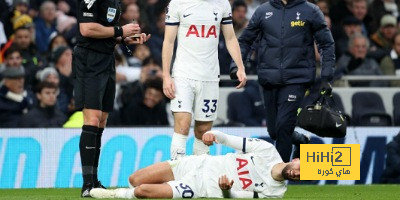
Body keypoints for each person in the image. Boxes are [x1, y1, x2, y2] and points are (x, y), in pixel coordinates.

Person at [233, 0, 335, 162]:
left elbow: (326, 44)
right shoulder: (262, 11)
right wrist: (236, 66)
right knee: (274, 131)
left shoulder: (310, 11)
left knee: (283, 127)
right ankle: (301, 141)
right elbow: (245, 40)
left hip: (298, 79)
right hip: (269, 78)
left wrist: (326, 76)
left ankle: (278, 179)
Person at [73, 0, 150, 197]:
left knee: (101, 120)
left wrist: (125, 39)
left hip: (107, 60)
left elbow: (108, 33)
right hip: (89, 60)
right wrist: (120, 30)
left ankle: (95, 181)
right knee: (92, 118)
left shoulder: (115, 1)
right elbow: (87, 29)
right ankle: (87, 184)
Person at [89, 130, 299, 199]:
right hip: (196, 162)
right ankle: (126, 190)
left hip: (198, 186)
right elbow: (227, 139)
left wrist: (226, 191)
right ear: (297, 159)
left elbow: (236, 197)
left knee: (142, 191)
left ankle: (114, 194)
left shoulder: (275, 192)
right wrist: (212, 135)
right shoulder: (267, 151)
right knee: (135, 179)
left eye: (302, 175)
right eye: (300, 168)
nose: (298, 174)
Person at [163, 0, 247, 160]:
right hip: (183, 74)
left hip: (209, 77)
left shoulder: (222, 4)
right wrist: (166, 76)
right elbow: (168, 41)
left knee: (203, 131)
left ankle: (198, 176)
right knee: (183, 125)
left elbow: (230, 38)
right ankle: (179, 174)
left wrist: (240, 67)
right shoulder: (177, 3)